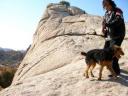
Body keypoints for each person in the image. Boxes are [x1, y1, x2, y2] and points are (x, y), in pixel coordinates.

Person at [102, 0, 125, 76]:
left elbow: (118, 20)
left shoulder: (118, 11)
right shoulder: (106, 13)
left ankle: (116, 71)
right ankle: (109, 66)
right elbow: (104, 22)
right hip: (109, 36)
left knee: (114, 53)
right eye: (104, 5)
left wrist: (107, 24)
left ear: (111, 3)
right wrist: (104, 28)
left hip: (117, 35)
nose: (106, 7)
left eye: (107, 4)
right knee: (105, 51)